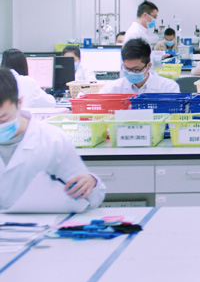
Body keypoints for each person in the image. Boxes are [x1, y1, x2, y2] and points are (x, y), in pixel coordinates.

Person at [0, 69, 106, 211]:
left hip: (45, 222)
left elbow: (91, 196)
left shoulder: (52, 139)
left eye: (3, 118)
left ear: (19, 103)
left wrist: (89, 183)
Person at [99, 39, 180, 94]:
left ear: (148, 66)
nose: (130, 73)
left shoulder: (169, 88)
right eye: (126, 68)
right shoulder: (111, 89)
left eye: (135, 70)